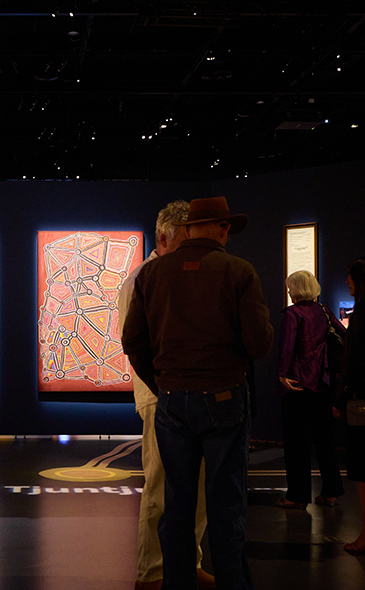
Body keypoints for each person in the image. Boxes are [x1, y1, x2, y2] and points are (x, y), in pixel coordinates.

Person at [122, 196, 273, 590]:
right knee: (225, 504)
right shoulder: (238, 271)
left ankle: (174, 580)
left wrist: (162, 384)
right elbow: (259, 343)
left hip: (172, 400)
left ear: (188, 230)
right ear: (222, 229)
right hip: (224, 398)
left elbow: (132, 341)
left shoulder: (152, 275)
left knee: (175, 503)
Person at [119, 200, 214, 590]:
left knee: (195, 488)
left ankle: (187, 562)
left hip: (185, 393)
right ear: (163, 237)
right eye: (185, 237)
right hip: (160, 395)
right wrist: (160, 387)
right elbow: (134, 342)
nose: (191, 246)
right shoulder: (142, 277)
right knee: (160, 485)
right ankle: (152, 572)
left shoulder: (176, 275)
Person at [276, 270, 345, 510]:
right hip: (324, 383)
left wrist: (282, 376)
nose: (288, 291)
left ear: (295, 289)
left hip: (298, 384)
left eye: (289, 287)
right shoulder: (324, 311)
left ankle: (297, 495)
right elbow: (343, 336)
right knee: (325, 440)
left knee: (297, 443)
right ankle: (331, 492)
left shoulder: (293, 314)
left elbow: (287, 348)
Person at [336, 258, 365, 554]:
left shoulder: (360, 316)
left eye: (351, 277)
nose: (347, 282)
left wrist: (341, 399)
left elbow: (354, 361)